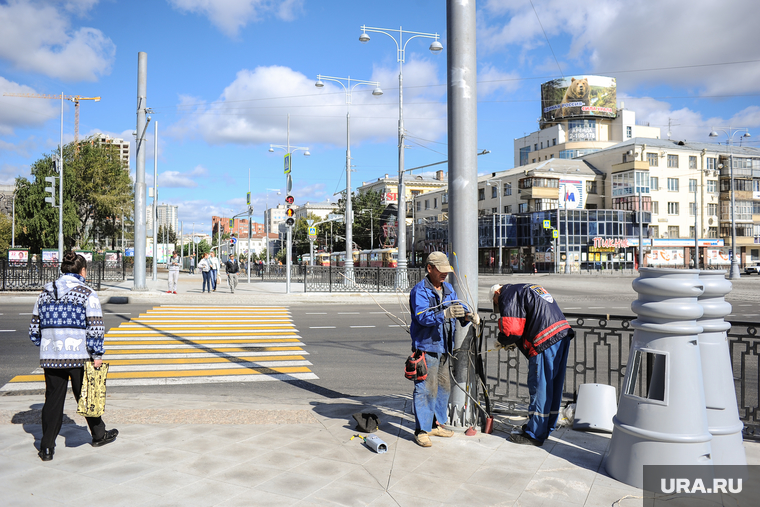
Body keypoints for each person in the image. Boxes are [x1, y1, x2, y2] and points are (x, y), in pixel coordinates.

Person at [29, 251, 118, 461]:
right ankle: (98, 434)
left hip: (51, 357)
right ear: (82, 270)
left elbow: (34, 328)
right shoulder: (87, 293)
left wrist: (47, 344)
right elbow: (95, 327)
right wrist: (97, 354)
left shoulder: (45, 292)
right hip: (79, 357)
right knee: (86, 395)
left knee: (52, 400)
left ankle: (47, 447)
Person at [490, 283, 575, 446]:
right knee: (553, 384)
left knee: (540, 386)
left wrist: (503, 340)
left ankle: (534, 434)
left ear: (496, 292)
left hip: (545, 338)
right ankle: (546, 427)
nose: (498, 306)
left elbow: (512, 330)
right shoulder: (525, 288)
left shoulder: (506, 294)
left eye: (496, 303)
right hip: (562, 333)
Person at [408, 251, 479, 447]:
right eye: (441, 270)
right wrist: (444, 313)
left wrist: (467, 317)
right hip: (427, 347)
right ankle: (421, 430)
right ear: (429, 268)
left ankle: (434, 424)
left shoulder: (448, 289)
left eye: (447, 270)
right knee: (425, 389)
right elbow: (422, 317)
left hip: (444, 347)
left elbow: (456, 312)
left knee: (443, 387)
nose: (445, 274)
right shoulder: (420, 291)